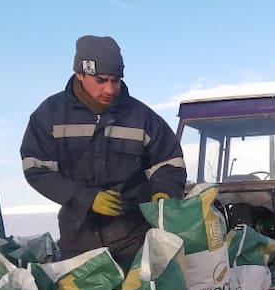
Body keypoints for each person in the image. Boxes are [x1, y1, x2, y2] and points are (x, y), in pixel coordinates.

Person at [20, 35, 186, 268]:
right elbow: (36, 168)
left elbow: (169, 162)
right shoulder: (50, 115)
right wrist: (86, 198)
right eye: (101, 80)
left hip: (134, 238)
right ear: (80, 73)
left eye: (115, 80)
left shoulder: (141, 117)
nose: (110, 89)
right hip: (78, 240)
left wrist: (164, 192)